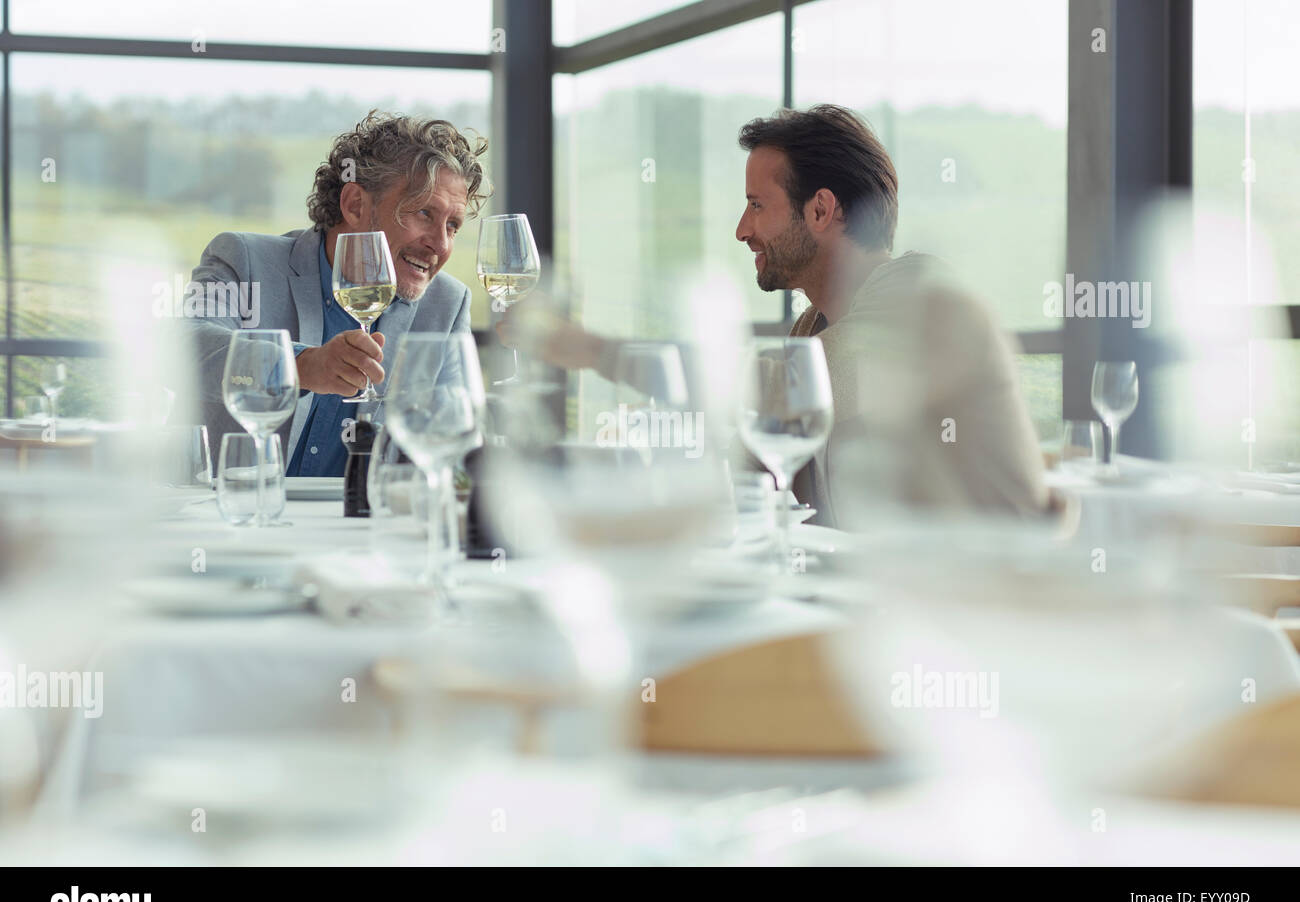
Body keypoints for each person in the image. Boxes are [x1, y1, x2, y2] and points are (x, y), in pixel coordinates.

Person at [499, 105, 1049, 526]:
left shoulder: (929, 303)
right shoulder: (810, 330)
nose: (742, 229)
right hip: (883, 613)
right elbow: (754, 486)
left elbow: (773, 395)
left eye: (757, 205)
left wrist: (593, 351)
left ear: (821, 209)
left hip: (997, 625)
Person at [181, 110, 490, 475]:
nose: (440, 244)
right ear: (355, 204)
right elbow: (184, 348)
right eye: (423, 213)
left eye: (452, 225)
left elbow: (455, 443)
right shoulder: (244, 259)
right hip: (228, 518)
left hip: (356, 529)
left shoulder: (447, 304)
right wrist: (300, 367)